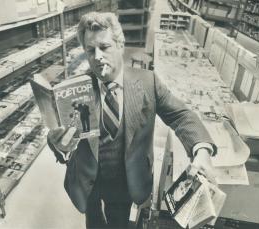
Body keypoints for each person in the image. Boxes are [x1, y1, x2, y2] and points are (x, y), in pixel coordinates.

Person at [47, 12, 217, 229]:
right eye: (90, 50)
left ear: (120, 45)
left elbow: (181, 115)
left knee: (119, 222)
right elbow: (57, 136)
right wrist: (61, 147)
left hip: (127, 181)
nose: (97, 56)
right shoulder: (75, 89)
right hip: (89, 180)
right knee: (94, 223)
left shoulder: (148, 82)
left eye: (105, 47)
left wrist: (201, 150)